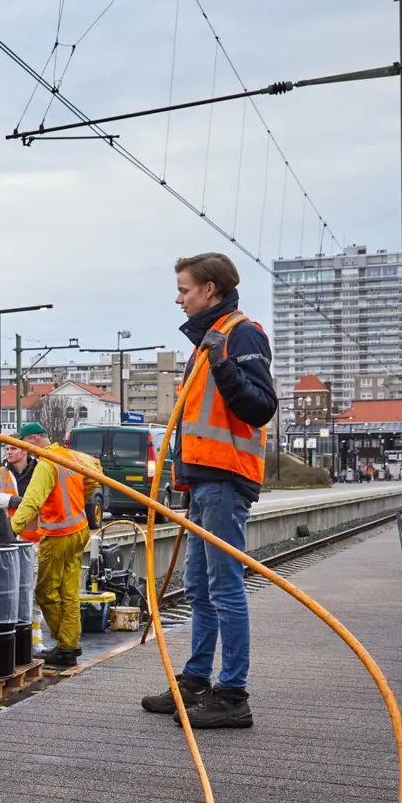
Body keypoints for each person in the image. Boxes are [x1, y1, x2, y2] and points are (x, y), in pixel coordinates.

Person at [141, 252, 276, 729]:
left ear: (210, 290)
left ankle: (233, 693)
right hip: (202, 482)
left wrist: (224, 365)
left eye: (184, 289)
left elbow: (260, 408)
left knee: (224, 587)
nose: (178, 298)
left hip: (225, 478)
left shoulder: (241, 334)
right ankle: (198, 680)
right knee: (199, 586)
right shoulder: (208, 341)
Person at [12, 433, 101, 668]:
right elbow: (96, 474)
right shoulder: (69, 455)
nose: (26, 451)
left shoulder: (46, 464)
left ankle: (65, 645)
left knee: (44, 591)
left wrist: (11, 530)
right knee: (69, 592)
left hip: (58, 536)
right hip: (79, 531)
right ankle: (69, 645)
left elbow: (31, 501)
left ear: (33, 440)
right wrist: (77, 501)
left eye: (25, 445)